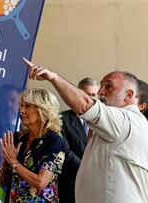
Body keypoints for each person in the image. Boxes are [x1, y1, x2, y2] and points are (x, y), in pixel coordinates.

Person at [24, 58, 148, 203]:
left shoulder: (126, 120)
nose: (101, 92)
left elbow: (86, 106)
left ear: (128, 96)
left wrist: (53, 77)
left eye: (109, 87)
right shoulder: (122, 123)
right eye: (101, 86)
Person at [0, 88, 65, 203]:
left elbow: (40, 182)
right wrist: (4, 161)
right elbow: (2, 182)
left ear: (43, 110)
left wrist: (13, 162)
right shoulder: (17, 138)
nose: (21, 110)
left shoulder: (53, 141)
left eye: (27, 106)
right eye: (21, 105)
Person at [58, 77, 99, 203]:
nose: (90, 98)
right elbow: (65, 151)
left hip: (96, 186)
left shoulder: (103, 121)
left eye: (93, 94)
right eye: (86, 94)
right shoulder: (62, 119)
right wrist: (85, 168)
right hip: (70, 185)